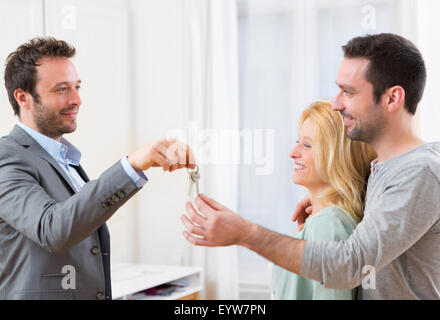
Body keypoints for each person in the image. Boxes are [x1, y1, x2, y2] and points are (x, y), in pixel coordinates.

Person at [181, 33, 440, 299]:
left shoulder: (419, 172)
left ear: (392, 98)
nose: (337, 103)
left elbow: (350, 265)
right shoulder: (387, 168)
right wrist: (326, 195)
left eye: (348, 92)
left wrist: (245, 233)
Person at [0, 37, 195, 300]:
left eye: (77, 87)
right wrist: (132, 165)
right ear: (23, 97)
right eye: (61, 89)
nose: (77, 99)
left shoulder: (65, 158)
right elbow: (53, 229)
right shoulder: (7, 157)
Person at [272, 101, 376, 300]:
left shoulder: (328, 224)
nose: (293, 152)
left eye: (307, 144)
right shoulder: (323, 220)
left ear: (336, 156)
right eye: (298, 141)